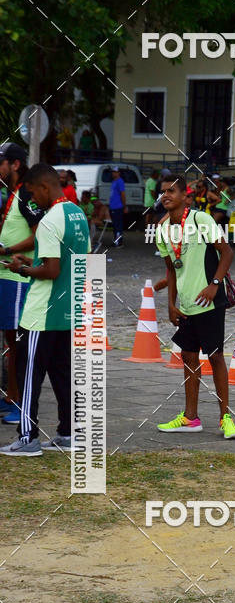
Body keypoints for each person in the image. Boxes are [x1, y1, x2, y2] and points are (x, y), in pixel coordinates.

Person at [0, 164, 90, 456]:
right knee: (62, 374)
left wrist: (23, 269)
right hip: (68, 309)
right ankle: (68, 433)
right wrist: (30, 261)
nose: (33, 200)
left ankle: (27, 438)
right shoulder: (78, 215)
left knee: (29, 375)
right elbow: (71, 262)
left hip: (42, 312)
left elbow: (51, 271)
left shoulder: (50, 220)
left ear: (44, 186)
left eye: (33, 193)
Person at [155, 175, 235, 439]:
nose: (165, 195)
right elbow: (171, 269)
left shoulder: (200, 219)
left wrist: (214, 284)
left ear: (185, 196)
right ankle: (190, 417)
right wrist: (171, 304)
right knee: (189, 358)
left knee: (215, 357)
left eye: (171, 191)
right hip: (186, 305)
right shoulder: (162, 229)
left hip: (210, 301)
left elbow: (227, 252)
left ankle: (226, 418)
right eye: (162, 192)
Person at [0, 143, 44, 424]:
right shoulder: (12, 192)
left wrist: (6, 250)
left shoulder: (27, 192)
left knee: (18, 343)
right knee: (10, 341)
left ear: (15, 164)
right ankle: (10, 396)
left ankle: (20, 403)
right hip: (6, 277)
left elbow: (39, 234)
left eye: (0, 162)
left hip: (17, 278)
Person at [109, 165, 127, 247]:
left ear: (119, 173)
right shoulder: (113, 181)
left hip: (117, 207)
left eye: (115, 172)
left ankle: (119, 242)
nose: (113, 173)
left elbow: (123, 194)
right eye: (113, 172)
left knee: (118, 226)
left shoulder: (120, 181)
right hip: (113, 206)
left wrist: (124, 206)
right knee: (115, 225)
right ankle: (116, 240)